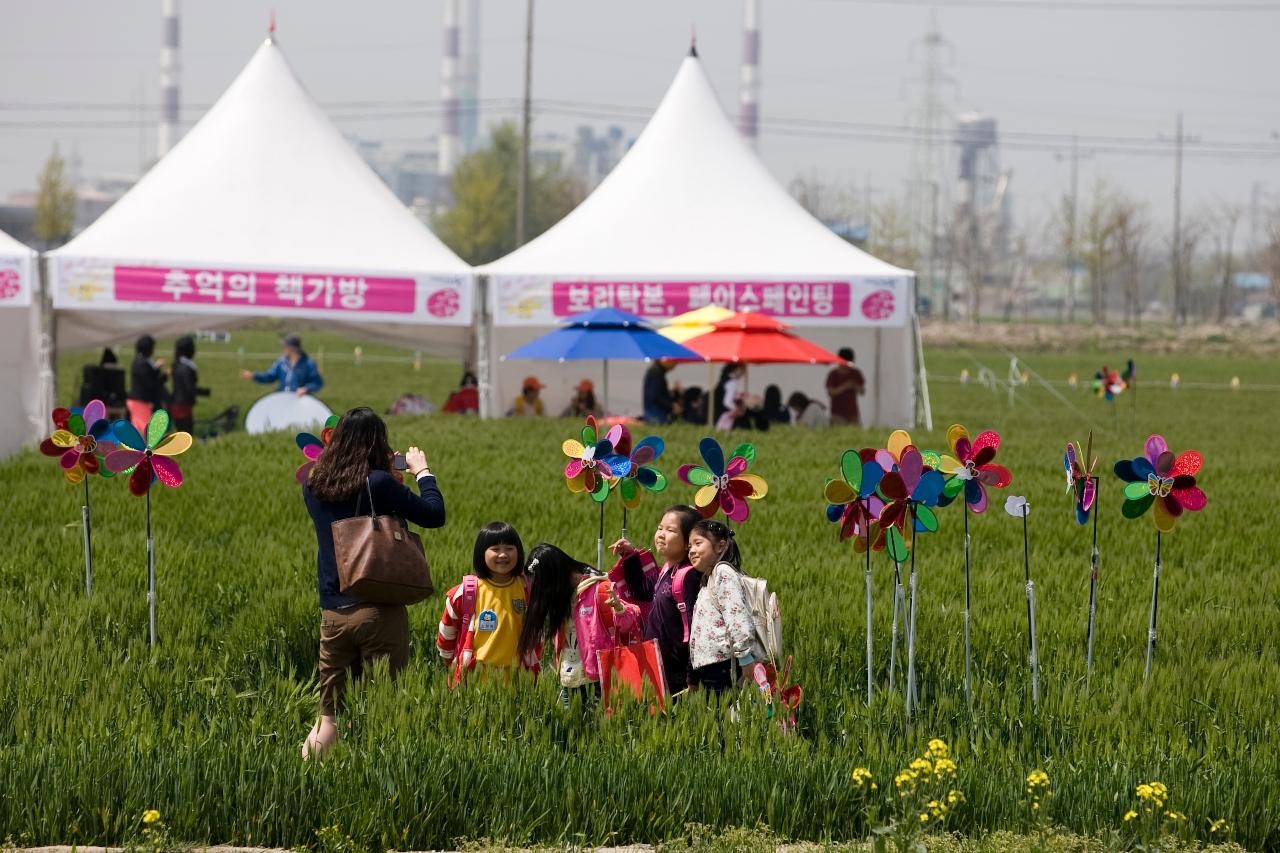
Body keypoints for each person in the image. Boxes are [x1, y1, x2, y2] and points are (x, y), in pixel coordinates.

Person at [300, 407, 445, 758]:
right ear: (377, 443)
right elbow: (433, 515)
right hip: (378, 611)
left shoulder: (313, 484)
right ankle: (376, 779)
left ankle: (305, 776)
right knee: (383, 708)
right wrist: (423, 472)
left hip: (333, 614)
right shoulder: (377, 483)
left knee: (329, 713)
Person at [517, 543, 640, 706]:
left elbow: (631, 622)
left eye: (544, 585)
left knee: (595, 728)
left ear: (556, 576)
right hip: (568, 677)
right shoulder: (561, 596)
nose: (543, 592)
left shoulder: (600, 590)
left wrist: (619, 609)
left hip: (598, 680)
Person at [608, 505, 703, 696]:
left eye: (670, 530)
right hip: (657, 661)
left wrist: (692, 675)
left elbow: (696, 628)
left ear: (688, 543)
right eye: (660, 528)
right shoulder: (666, 570)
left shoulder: (689, 577)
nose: (661, 534)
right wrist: (630, 556)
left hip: (678, 670)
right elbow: (641, 590)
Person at [436, 522, 538, 685]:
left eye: (509, 548)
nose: (503, 554)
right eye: (495, 549)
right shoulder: (465, 592)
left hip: (517, 678)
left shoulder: (527, 589)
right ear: (481, 553)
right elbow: (447, 631)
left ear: (518, 552)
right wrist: (451, 663)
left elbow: (538, 629)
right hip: (475, 678)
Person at [687, 519, 764, 695]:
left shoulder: (724, 572)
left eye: (698, 543)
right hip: (711, 665)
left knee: (724, 716)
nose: (691, 550)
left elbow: (736, 616)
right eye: (689, 546)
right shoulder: (709, 579)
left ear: (720, 546)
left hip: (723, 664)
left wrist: (745, 658)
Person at [240, 333, 324, 397]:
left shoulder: (308, 364)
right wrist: (254, 375)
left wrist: (306, 389)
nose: (283, 349)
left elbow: (317, 383)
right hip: (282, 398)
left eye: (285, 347)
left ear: (293, 349)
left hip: (300, 400)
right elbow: (270, 377)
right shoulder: (281, 362)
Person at [127, 334, 168, 433]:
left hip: (138, 400)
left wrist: (157, 370)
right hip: (141, 401)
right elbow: (150, 383)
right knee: (144, 431)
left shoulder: (140, 361)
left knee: (141, 430)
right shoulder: (142, 363)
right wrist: (161, 376)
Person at [169, 335, 209, 434]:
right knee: (186, 432)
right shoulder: (187, 368)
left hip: (176, 402)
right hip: (183, 404)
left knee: (180, 430)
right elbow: (189, 388)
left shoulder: (176, 364)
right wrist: (204, 392)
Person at [826, 347, 865, 426]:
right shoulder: (833, 374)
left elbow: (862, 391)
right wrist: (844, 387)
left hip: (853, 413)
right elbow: (830, 393)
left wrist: (855, 386)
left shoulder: (856, 373)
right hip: (837, 414)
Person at [642, 359, 675, 424]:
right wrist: (671, 406)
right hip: (656, 415)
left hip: (654, 414)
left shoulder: (657, 371)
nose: (674, 366)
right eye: (673, 362)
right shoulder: (656, 373)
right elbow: (657, 395)